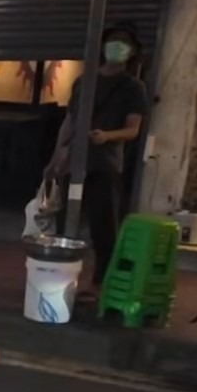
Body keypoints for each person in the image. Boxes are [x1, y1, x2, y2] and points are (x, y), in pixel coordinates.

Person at [45, 25, 150, 287]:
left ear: (133, 52)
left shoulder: (132, 87)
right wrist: (57, 155)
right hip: (75, 162)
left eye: (124, 43)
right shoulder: (84, 81)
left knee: (103, 229)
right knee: (64, 224)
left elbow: (133, 130)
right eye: (113, 41)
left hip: (105, 165)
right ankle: (61, 278)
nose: (117, 47)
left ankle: (100, 283)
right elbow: (70, 120)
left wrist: (107, 136)